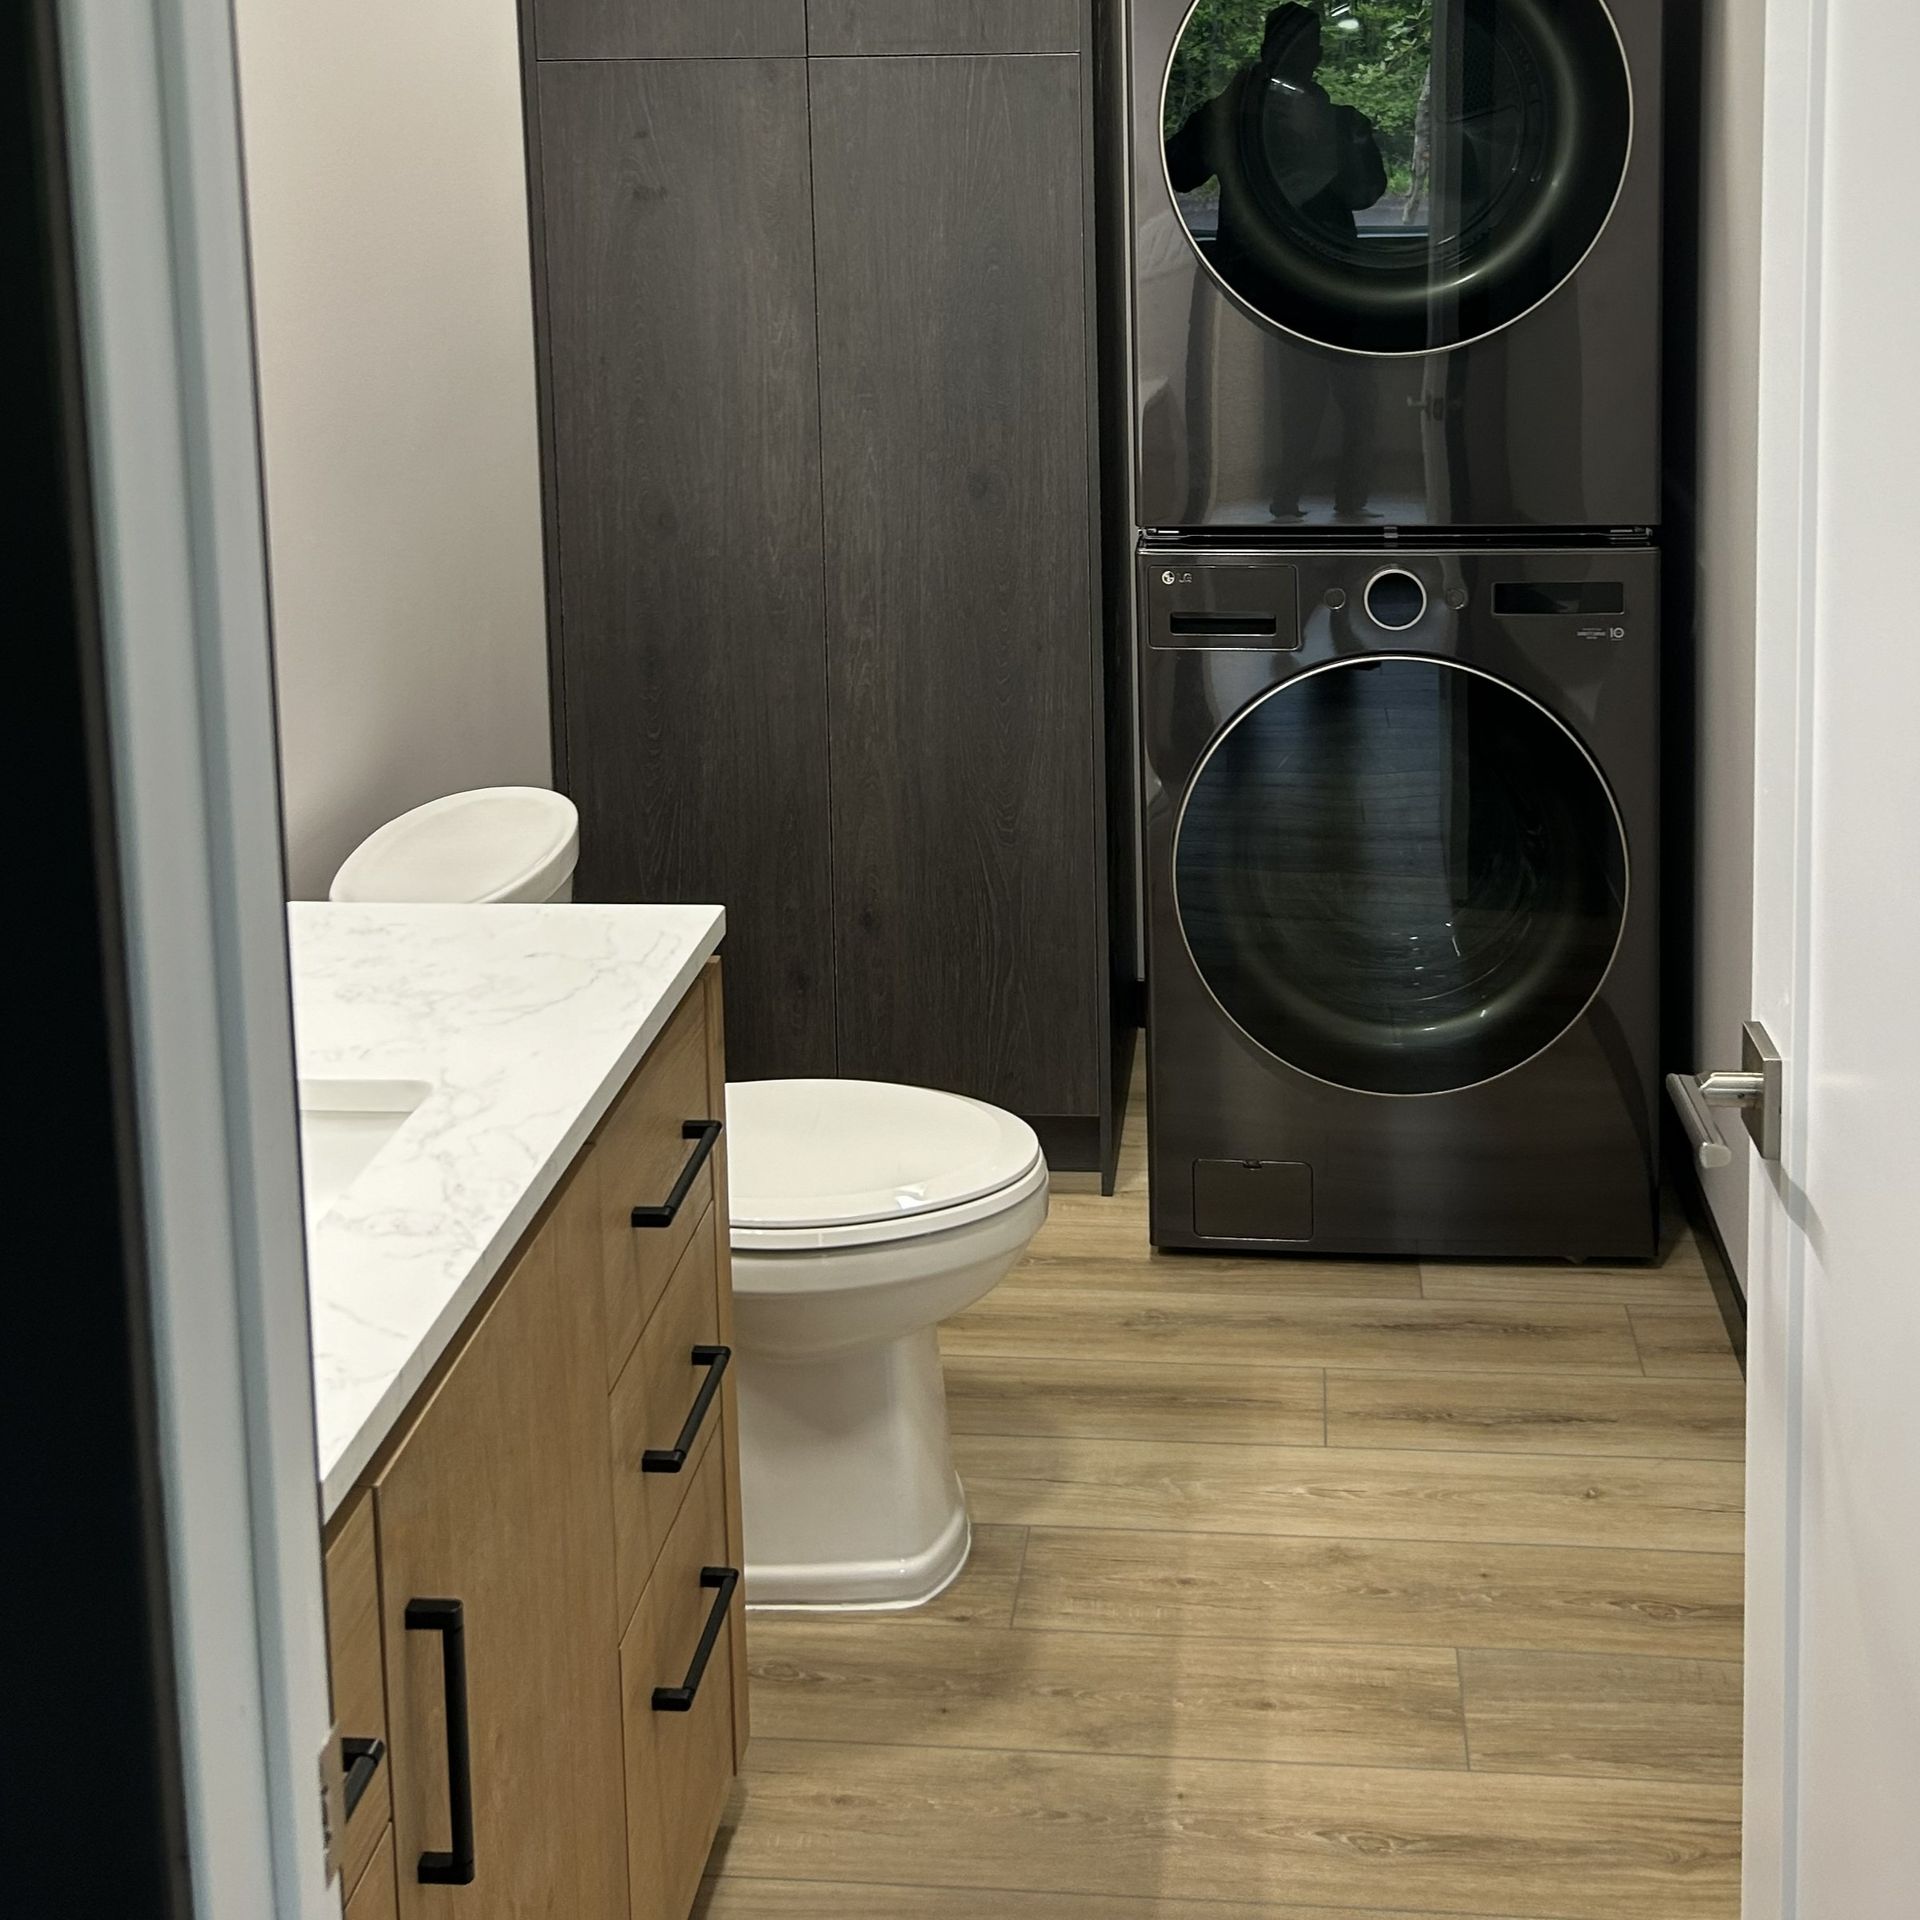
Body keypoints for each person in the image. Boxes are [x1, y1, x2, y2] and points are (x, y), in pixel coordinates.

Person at [1166, 3, 1388, 520]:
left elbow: (1365, 191)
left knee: (1338, 398)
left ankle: (1323, 501)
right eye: (1298, 43)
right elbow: (1178, 170)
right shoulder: (1235, 116)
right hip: (1291, 283)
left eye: (1310, 43)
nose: (1307, 54)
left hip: (1285, 281)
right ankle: (1307, 500)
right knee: (1321, 398)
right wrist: (1225, 113)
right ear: (1270, 52)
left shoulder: (1328, 120)